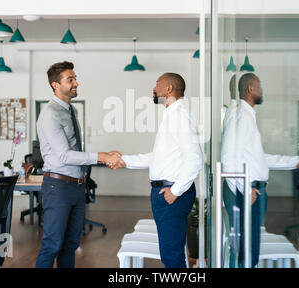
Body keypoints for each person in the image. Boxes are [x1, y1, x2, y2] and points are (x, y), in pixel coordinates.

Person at [220, 72, 299, 268]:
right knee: (246, 250)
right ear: (250, 89)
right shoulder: (241, 115)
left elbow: (260, 159)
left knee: (249, 246)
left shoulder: (246, 115)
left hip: (251, 189)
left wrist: (298, 161)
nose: (262, 90)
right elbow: (228, 157)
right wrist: (244, 187)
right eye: (260, 86)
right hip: (247, 190)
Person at [35, 61, 125, 268]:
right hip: (58, 187)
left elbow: (74, 150)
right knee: (52, 245)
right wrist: (102, 157)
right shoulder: (50, 114)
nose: (76, 83)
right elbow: (65, 156)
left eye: (75, 78)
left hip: (76, 186)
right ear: (55, 85)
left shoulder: (70, 110)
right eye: (70, 79)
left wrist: (105, 155)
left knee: (71, 244)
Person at [120, 73, 204, 268]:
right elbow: (158, 158)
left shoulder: (179, 116)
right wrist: (123, 160)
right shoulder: (172, 115)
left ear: (168, 89)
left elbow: (195, 159)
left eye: (157, 84)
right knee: (171, 253)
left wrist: (175, 192)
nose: (154, 88)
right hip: (167, 192)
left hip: (171, 194)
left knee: (172, 256)